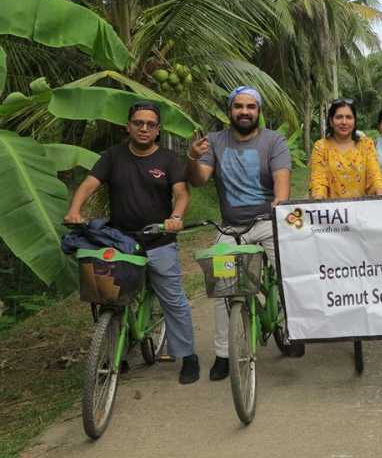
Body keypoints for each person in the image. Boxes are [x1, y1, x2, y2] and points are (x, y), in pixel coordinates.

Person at [64, 102, 199, 384]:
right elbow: (89, 184)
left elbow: (181, 192)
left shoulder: (168, 159)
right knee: (112, 298)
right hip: (121, 242)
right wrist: (74, 210)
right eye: (138, 123)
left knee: (172, 298)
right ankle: (117, 355)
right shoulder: (112, 157)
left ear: (158, 130)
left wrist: (176, 216)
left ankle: (188, 356)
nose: (144, 128)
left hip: (159, 240)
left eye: (150, 124)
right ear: (128, 126)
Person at [187, 86, 297, 381]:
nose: (244, 112)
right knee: (223, 288)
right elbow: (199, 180)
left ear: (258, 111)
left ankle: (289, 328)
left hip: (267, 223)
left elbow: (282, 180)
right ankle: (224, 354)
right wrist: (192, 158)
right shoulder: (214, 141)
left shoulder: (273, 140)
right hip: (230, 228)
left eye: (251, 107)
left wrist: (280, 202)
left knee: (288, 274)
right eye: (239, 106)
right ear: (230, 111)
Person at [309, 99, 382, 199]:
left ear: (354, 121)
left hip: (362, 207)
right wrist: (319, 201)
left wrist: (381, 197)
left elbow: (375, 176)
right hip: (331, 208)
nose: (344, 122)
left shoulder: (366, 145)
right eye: (339, 117)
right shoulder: (321, 147)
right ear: (331, 121)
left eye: (349, 117)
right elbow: (318, 182)